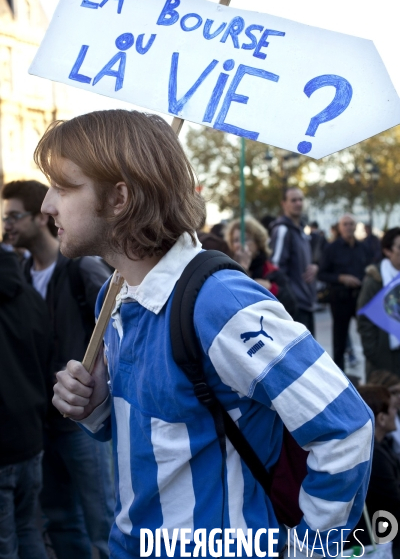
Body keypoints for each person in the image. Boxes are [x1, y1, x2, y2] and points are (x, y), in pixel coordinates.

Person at [39, 110, 372, 559]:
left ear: (119, 197)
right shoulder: (112, 296)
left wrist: (313, 548)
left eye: (63, 186)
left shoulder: (219, 302)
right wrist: (96, 406)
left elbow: (346, 429)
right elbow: (158, 437)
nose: (47, 205)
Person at [2, 180, 114, 559]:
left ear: (39, 217)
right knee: (60, 519)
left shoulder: (80, 266)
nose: (8, 226)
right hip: (42, 422)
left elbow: (116, 324)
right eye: (4, 218)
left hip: (83, 422)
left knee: (104, 520)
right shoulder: (18, 273)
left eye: (15, 216)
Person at [0, 247, 51, 558]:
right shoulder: (31, 298)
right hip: (32, 437)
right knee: (29, 530)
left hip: (4, 447)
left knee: (6, 545)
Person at [348, 385, 400, 558]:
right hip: (377, 539)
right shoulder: (375, 456)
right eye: (393, 408)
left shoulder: (379, 448)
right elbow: (393, 501)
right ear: (381, 418)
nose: (396, 412)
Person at [319, 214, 369, 371]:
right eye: (345, 224)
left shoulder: (363, 247)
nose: (348, 227)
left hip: (361, 298)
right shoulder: (331, 248)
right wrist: (341, 278)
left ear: (356, 226)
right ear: (339, 228)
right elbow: (322, 273)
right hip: (340, 299)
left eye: (351, 224)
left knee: (368, 334)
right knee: (339, 339)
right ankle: (340, 376)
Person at [224, 216, 297, 317]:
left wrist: (272, 289)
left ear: (258, 243)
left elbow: (291, 307)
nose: (241, 245)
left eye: (246, 239)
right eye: (236, 240)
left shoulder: (271, 271)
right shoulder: (227, 272)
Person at [270, 187, 318, 334]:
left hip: (307, 303)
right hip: (295, 307)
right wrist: (290, 298)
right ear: (284, 204)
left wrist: (315, 267)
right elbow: (275, 268)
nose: (298, 203)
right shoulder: (283, 230)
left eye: (300, 199)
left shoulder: (302, 230)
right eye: (293, 200)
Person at [357, 227, 400, 379]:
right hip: (384, 360)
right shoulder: (376, 280)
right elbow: (364, 321)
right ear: (388, 251)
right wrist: (374, 354)